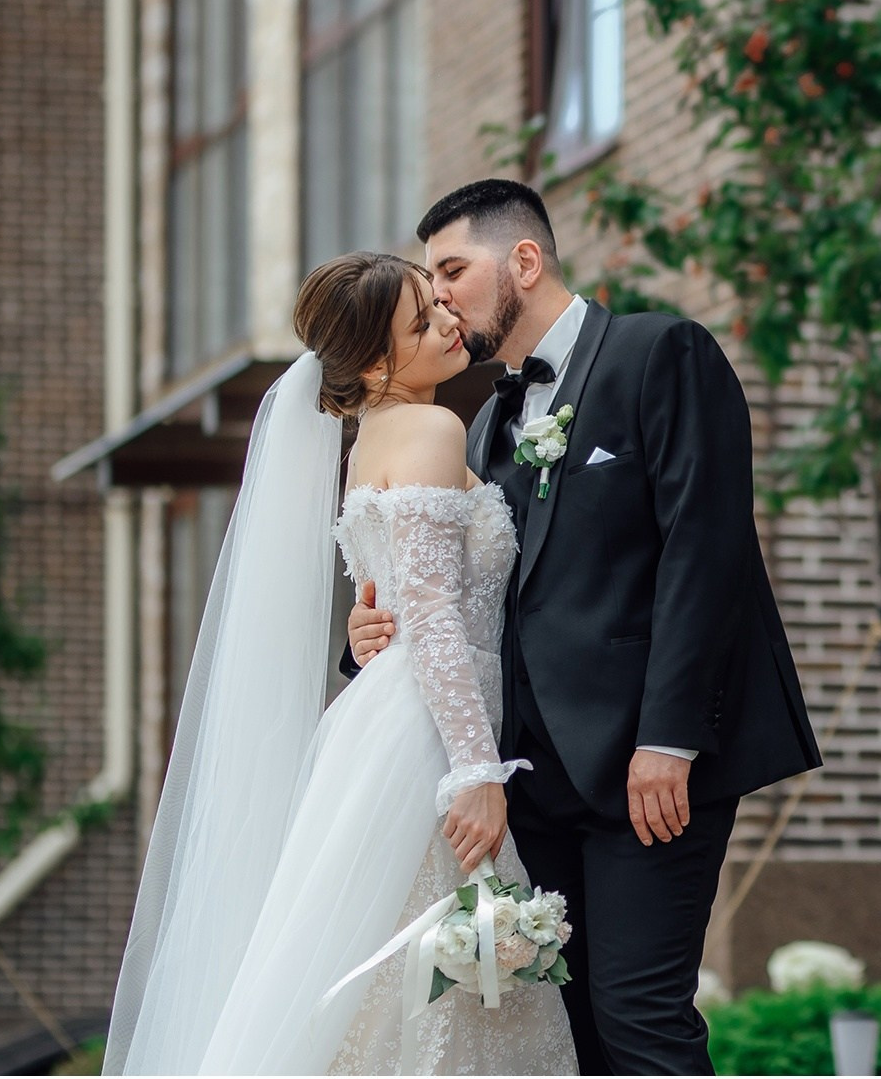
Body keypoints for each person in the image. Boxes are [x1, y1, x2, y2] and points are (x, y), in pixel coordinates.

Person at [344, 179, 821, 1075]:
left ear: (524, 261)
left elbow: (706, 547)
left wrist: (670, 738)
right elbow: (457, 586)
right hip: (532, 785)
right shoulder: (482, 421)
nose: (439, 295)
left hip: (650, 769)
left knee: (642, 1019)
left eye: (453, 270)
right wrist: (365, 635)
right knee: (577, 1040)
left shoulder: (660, 352)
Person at [105, 252, 578, 1075]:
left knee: (382, 970)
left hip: (393, 716)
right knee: (435, 969)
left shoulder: (369, 442)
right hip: (433, 731)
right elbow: (429, 611)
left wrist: (369, 630)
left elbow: (392, 598)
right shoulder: (431, 428)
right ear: (372, 363)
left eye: (438, 304)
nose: (447, 322)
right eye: (421, 323)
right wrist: (476, 768)